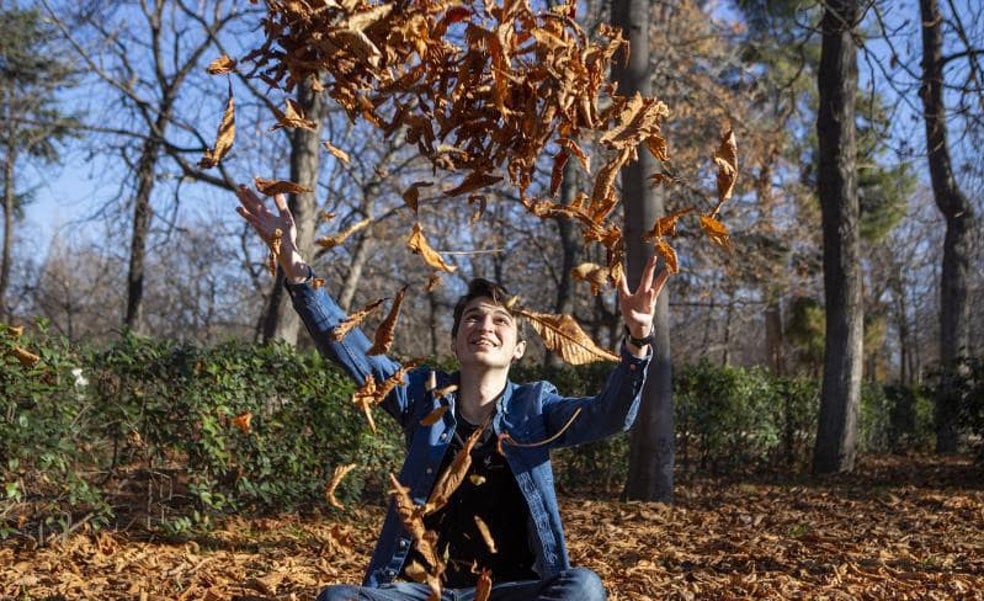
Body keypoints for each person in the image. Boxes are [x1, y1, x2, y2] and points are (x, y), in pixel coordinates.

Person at [236, 186, 668, 601]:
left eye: (501, 321)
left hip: (510, 592)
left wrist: (638, 339)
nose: (485, 326)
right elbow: (348, 346)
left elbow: (609, 416)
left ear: (518, 349)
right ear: (456, 340)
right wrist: (294, 266)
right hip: (422, 591)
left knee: (584, 588)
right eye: (474, 319)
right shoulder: (422, 395)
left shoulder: (535, 407)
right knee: (337, 597)